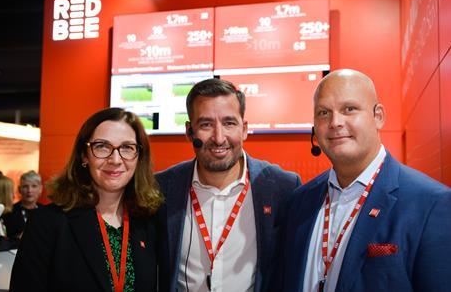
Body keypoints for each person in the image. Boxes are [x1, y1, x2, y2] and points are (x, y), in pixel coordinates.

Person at [276, 69, 451, 291]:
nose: (335, 122)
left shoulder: (430, 204)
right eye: (323, 113)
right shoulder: (299, 202)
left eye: (349, 109)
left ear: (378, 116)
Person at [156, 78, 301, 292]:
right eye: (206, 124)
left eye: (229, 123)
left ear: (244, 129)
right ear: (189, 132)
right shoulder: (162, 188)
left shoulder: (282, 187)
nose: (219, 137)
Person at [10, 108, 163, 292]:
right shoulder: (48, 222)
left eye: (127, 148)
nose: (115, 159)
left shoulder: (149, 222)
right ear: (84, 155)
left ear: (139, 157)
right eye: (102, 146)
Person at [3, 170, 43, 243]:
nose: (29, 191)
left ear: (40, 189)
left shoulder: (47, 211)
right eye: (25, 186)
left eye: (34, 186)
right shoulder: (9, 211)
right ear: (19, 189)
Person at [0, 174, 15, 250]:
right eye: (11, 192)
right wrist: (18, 240)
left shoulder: (3, 215)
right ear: (2, 195)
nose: (14, 196)